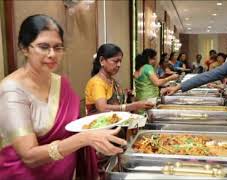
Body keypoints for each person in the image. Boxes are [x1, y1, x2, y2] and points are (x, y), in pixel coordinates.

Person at [0, 14, 126, 180]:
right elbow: (29, 156)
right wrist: (85, 138)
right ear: (24, 48)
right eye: (43, 46)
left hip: (66, 172)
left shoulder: (61, 83)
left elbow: (75, 125)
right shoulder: (12, 90)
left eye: (58, 47)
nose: (52, 54)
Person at [85, 44, 154, 115]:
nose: (119, 65)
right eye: (115, 61)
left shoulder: (112, 81)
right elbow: (102, 108)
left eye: (120, 61)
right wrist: (133, 106)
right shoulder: (97, 82)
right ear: (102, 60)